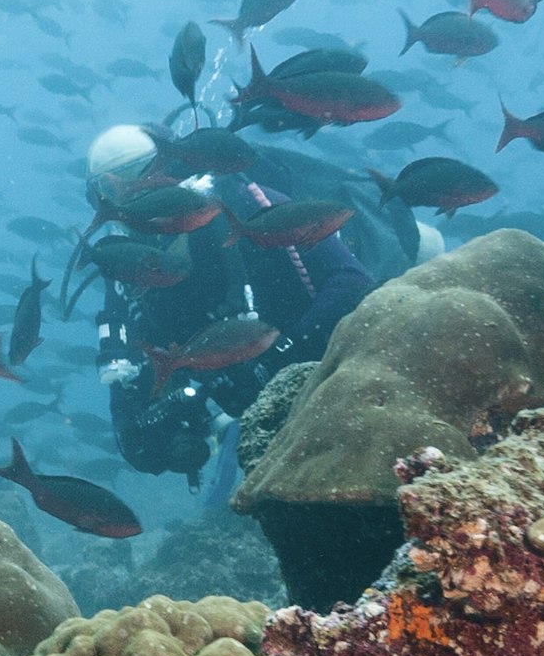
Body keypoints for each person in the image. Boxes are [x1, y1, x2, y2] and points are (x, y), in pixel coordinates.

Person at [87, 125, 413, 482]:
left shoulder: (248, 206)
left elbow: (351, 282)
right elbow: (130, 406)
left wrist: (281, 354)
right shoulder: (130, 268)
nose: (132, 201)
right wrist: (157, 435)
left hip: (343, 357)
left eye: (141, 181)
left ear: (177, 172)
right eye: (110, 192)